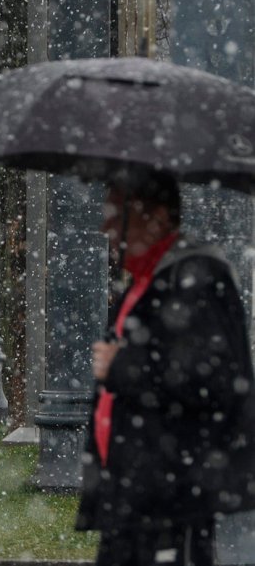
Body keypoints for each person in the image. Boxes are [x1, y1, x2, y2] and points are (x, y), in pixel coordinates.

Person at [76, 174, 255, 565]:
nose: (105, 227)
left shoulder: (195, 277)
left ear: (156, 218)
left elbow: (213, 378)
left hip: (172, 495)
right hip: (135, 490)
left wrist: (122, 365)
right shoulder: (149, 278)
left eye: (115, 214)